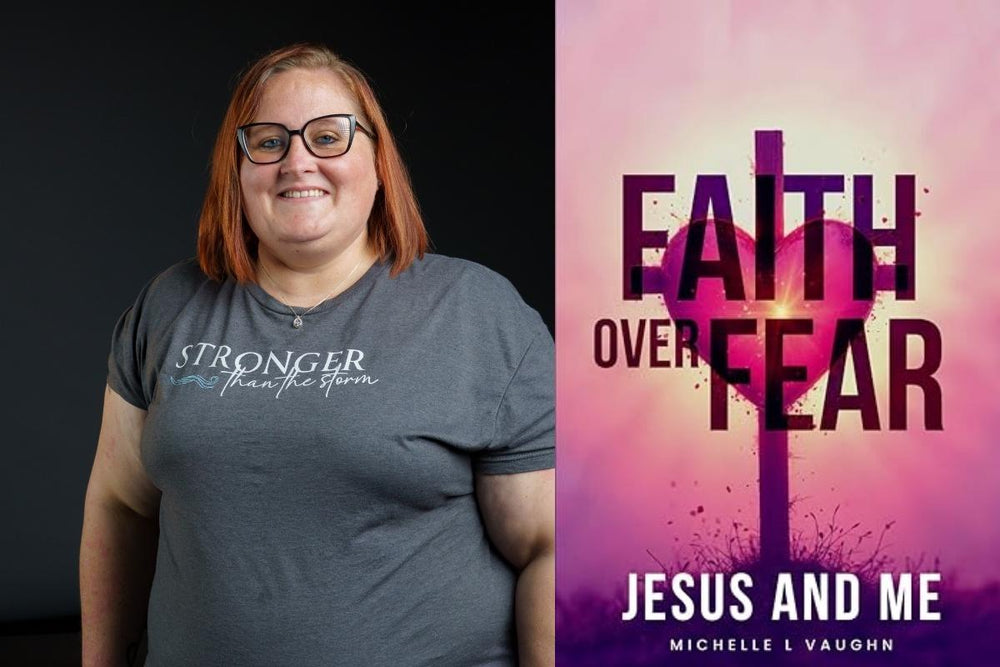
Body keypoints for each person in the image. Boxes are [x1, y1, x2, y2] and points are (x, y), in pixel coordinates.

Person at [80, 43, 554, 667]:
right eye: (269, 141)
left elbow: (550, 544)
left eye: (329, 137)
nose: (297, 161)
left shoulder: (476, 312)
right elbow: (119, 505)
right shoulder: (168, 306)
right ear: (238, 167)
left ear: (378, 160)